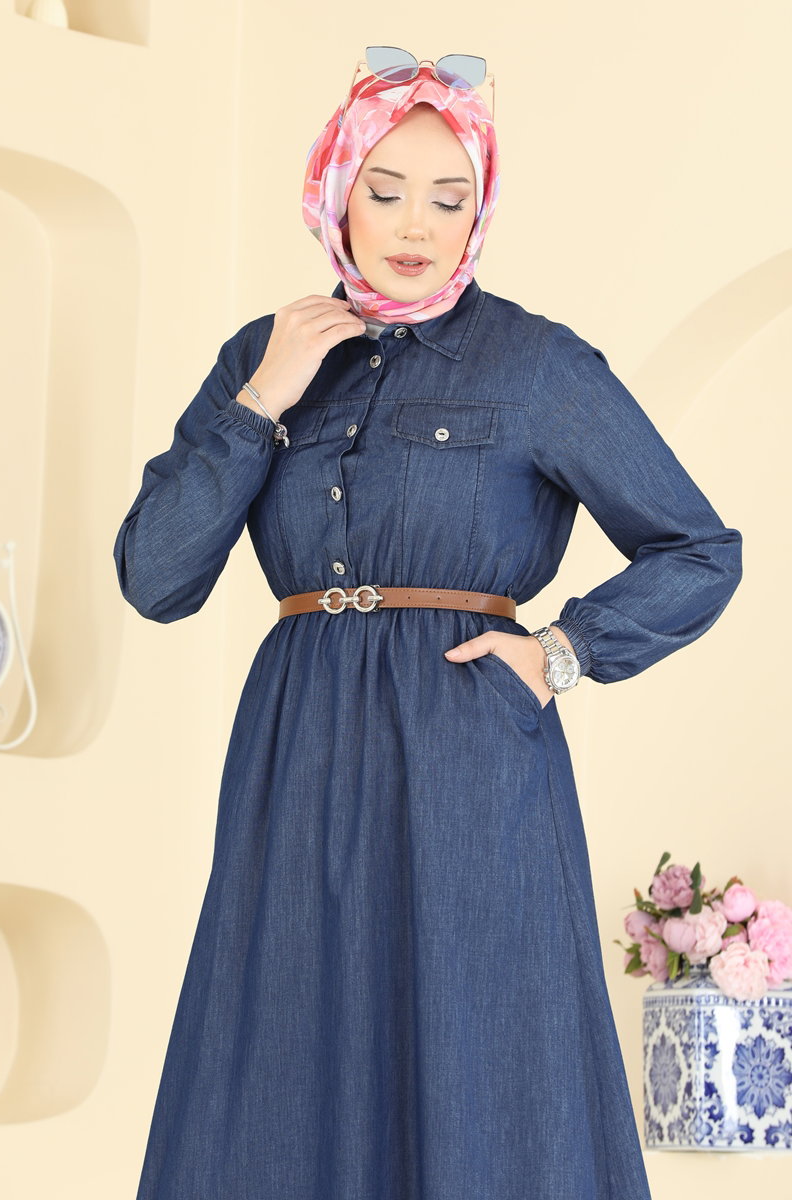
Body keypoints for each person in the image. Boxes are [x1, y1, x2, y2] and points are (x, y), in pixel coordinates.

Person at [114, 50, 742, 1200]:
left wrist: (560, 653)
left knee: (480, 1033)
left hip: (466, 734)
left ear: (479, 209)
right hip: (297, 743)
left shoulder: (535, 364)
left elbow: (697, 548)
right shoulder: (263, 353)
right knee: (284, 1032)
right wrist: (261, 400)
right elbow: (155, 578)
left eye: (449, 199)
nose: (416, 225)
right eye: (386, 189)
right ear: (335, 190)